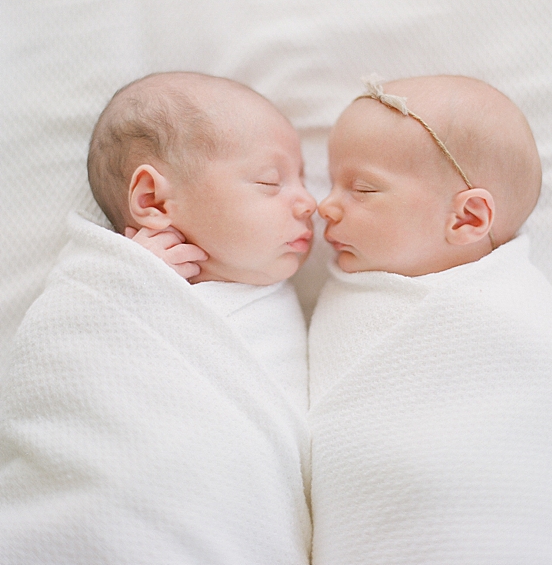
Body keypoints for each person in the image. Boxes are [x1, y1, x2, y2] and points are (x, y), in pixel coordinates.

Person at [0, 72, 316, 563]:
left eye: (301, 179)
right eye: (270, 182)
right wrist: (129, 283)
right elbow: (52, 368)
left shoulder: (280, 306)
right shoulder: (98, 291)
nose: (310, 202)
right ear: (152, 200)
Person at [307, 75, 552, 565]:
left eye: (363, 188)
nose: (324, 205)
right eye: (333, 183)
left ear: (467, 220)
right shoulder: (349, 290)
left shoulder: (515, 311)